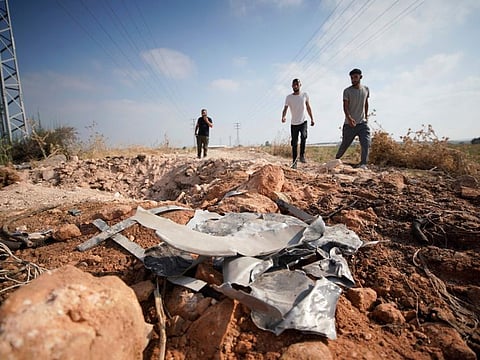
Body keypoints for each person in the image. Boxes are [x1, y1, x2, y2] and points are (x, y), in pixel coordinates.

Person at [335, 68, 370, 169]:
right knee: (345, 145)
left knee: (366, 142)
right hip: (349, 124)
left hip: (362, 123)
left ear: (360, 77)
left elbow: (366, 103)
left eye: (355, 77)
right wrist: (349, 118)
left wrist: (366, 117)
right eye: (352, 78)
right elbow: (345, 107)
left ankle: (363, 164)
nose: (353, 79)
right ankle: (335, 160)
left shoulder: (366, 89)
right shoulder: (347, 91)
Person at [281, 78, 315, 169]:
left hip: (303, 121)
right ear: (292, 86)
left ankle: (302, 156)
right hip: (294, 124)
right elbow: (285, 109)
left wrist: (312, 118)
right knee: (294, 143)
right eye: (294, 85)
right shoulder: (289, 97)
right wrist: (283, 116)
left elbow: (308, 107)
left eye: (297, 84)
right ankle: (294, 162)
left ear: (300, 85)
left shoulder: (305, 95)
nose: (295, 86)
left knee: (304, 136)